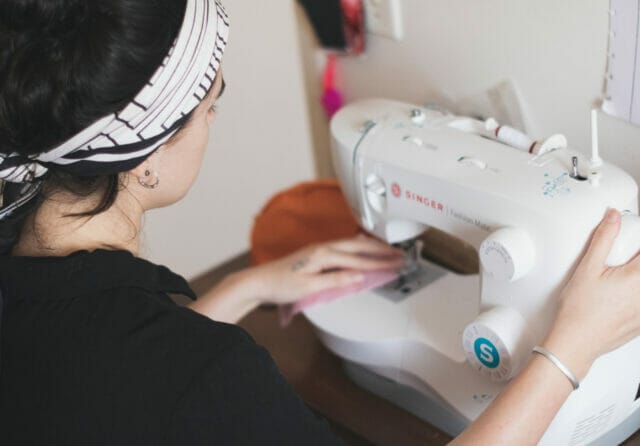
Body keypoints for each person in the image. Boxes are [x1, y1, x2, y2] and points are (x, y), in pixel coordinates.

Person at [0, 0, 638, 445]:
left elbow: (116, 378)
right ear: (143, 160)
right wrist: (569, 349)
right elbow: (170, 381)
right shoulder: (212, 375)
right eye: (210, 107)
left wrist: (250, 286)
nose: (215, 122)